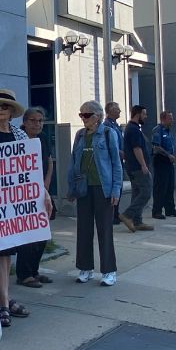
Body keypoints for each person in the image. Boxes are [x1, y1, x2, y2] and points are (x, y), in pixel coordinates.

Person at [0, 89, 50, 328]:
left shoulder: (22, 138)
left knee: (6, 253)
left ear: (12, 111)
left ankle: (3, 297)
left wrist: (44, 193)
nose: (0, 110)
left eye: (4, 107)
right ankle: (4, 302)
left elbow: (31, 172)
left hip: (14, 205)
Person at [67, 100, 122, 286]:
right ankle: (85, 267)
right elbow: (74, 162)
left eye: (87, 115)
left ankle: (109, 271)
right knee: (83, 229)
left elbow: (116, 163)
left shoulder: (108, 133)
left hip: (103, 188)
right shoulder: (80, 135)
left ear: (97, 116)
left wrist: (116, 190)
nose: (83, 118)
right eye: (81, 115)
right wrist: (71, 187)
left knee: (104, 230)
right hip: (84, 188)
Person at [15, 107, 54, 288]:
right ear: (24, 122)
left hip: (41, 192)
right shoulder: (17, 138)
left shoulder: (43, 138)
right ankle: (24, 274)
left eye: (40, 120)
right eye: (33, 120)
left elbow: (49, 162)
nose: (37, 124)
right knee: (27, 236)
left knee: (42, 234)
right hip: (23, 195)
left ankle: (35, 271)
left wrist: (45, 186)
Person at [119, 105, 154, 233]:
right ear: (138, 114)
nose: (146, 116)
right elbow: (136, 148)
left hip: (132, 167)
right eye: (144, 114)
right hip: (138, 167)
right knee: (146, 192)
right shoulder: (133, 129)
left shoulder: (132, 128)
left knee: (137, 192)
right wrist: (143, 165)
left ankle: (137, 221)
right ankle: (128, 215)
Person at [151, 111, 176, 220]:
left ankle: (170, 209)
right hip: (161, 161)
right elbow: (156, 147)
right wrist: (168, 155)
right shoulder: (158, 130)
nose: (172, 120)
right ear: (163, 119)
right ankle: (157, 211)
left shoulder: (169, 131)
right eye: (170, 118)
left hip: (169, 162)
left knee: (170, 186)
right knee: (161, 187)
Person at [103, 102, 125, 225]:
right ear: (110, 110)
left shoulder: (116, 126)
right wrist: (119, 152)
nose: (120, 111)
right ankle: (111, 214)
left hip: (119, 161)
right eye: (117, 109)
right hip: (112, 161)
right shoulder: (107, 126)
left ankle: (115, 213)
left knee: (119, 188)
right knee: (114, 187)